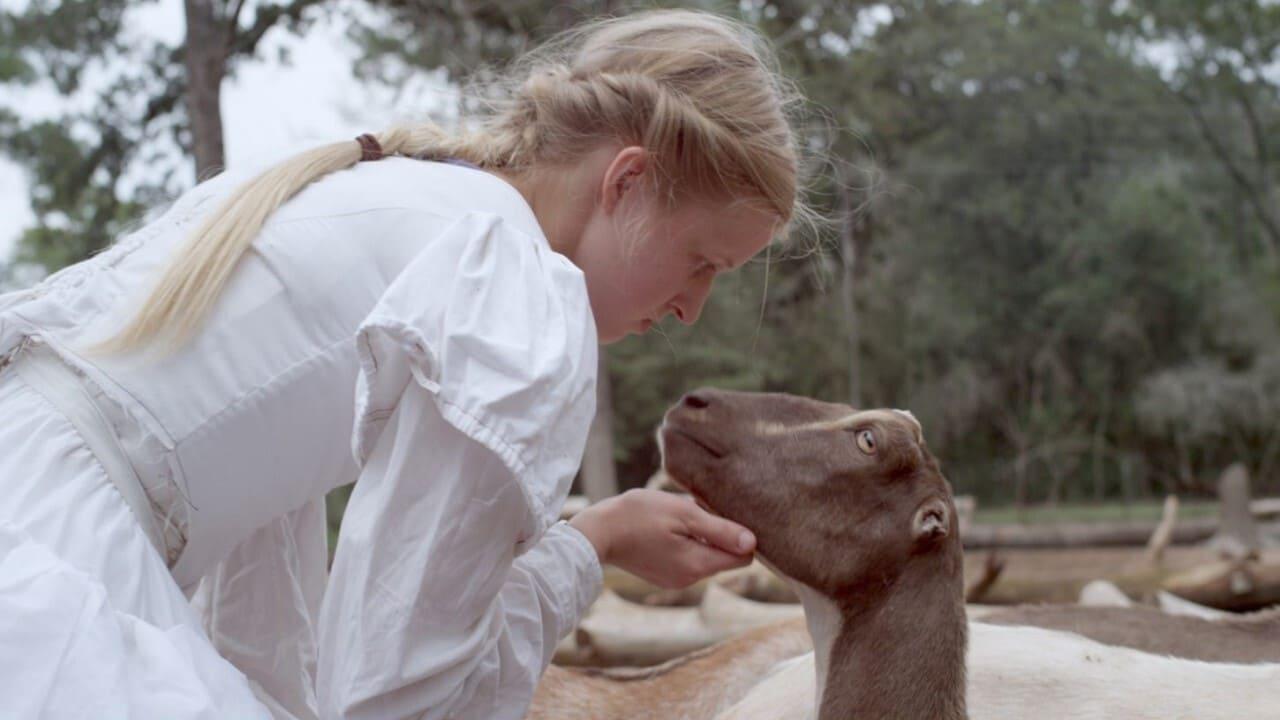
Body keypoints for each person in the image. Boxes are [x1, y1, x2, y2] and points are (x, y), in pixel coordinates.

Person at [0, 8, 811, 719]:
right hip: (52, 561)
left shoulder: (403, 195)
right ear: (626, 181)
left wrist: (596, 535)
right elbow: (399, 693)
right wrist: (585, 552)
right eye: (702, 261)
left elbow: (264, 585)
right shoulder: (512, 289)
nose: (691, 308)